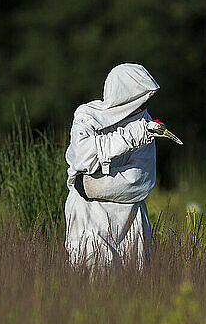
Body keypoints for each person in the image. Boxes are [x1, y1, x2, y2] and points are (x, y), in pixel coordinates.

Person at [64, 63, 160, 269]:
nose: (143, 107)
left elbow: (140, 182)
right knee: (88, 285)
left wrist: (92, 185)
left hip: (129, 223)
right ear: (124, 96)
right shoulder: (88, 115)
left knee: (129, 290)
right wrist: (129, 137)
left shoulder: (146, 124)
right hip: (89, 215)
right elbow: (82, 157)